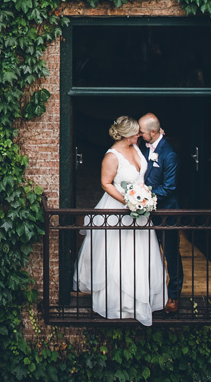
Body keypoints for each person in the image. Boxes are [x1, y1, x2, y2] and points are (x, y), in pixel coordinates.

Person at [73, 116, 167, 325]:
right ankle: (117, 304)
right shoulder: (112, 156)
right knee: (118, 256)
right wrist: (129, 201)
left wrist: (141, 198)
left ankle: (141, 300)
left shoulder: (136, 149)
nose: (139, 135)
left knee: (139, 254)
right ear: (126, 135)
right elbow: (106, 183)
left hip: (139, 211)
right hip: (118, 208)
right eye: (136, 133)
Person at [139, 113, 181, 313]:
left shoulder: (169, 154)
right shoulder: (143, 147)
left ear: (154, 132)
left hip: (166, 213)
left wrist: (143, 197)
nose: (139, 135)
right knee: (150, 252)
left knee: (171, 254)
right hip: (148, 213)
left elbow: (169, 187)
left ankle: (174, 295)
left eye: (142, 132)